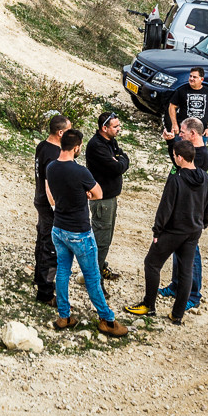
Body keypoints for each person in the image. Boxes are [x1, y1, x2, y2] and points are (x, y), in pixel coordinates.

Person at [45, 128, 128, 338]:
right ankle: (107, 319)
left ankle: (64, 316)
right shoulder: (80, 171)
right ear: (76, 148)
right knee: (92, 276)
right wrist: (84, 196)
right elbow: (98, 193)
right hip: (79, 231)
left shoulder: (51, 167)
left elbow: (53, 197)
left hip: (59, 229)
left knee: (63, 271)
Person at [124, 139, 208, 325]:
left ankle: (149, 305)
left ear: (180, 158)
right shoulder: (206, 178)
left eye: (174, 156)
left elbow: (166, 208)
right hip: (193, 231)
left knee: (152, 263)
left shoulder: (177, 179)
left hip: (173, 231)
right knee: (186, 271)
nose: (174, 158)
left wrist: (157, 231)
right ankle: (177, 314)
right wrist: (202, 224)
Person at [158, 117, 208, 310]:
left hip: (189, 217)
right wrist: (171, 142)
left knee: (191, 256)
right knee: (178, 252)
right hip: (180, 214)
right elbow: (178, 161)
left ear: (193, 134)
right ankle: (176, 285)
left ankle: (193, 295)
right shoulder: (190, 151)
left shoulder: (201, 156)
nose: (180, 135)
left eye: (182, 132)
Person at [85, 111, 130, 286]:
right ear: (104, 128)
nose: (119, 129)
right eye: (115, 126)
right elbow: (117, 167)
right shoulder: (97, 146)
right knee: (101, 240)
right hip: (101, 200)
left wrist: (120, 160)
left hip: (110, 197)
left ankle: (100, 268)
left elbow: (122, 159)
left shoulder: (110, 141)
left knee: (107, 237)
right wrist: (120, 161)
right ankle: (94, 279)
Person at [32, 114, 71, 305]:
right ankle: (45, 292)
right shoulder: (54, 154)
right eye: (69, 130)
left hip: (39, 200)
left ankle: (38, 279)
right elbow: (49, 185)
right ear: (60, 132)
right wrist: (58, 209)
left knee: (42, 241)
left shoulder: (42, 146)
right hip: (49, 205)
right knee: (50, 248)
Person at [166, 67, 208, 161]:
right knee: (180, 156)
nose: (191, 79)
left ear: (201, 79)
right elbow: (172, 106)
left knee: (197, 158)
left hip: (200, 133)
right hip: (183, 133)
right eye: (190, 76)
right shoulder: (182, 90)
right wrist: (174, 124)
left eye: (195, 77)